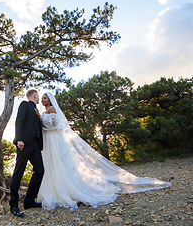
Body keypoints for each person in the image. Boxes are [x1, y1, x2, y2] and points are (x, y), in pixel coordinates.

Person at [35, 92, 172, 211]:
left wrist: (40, 118)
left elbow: (54, 125)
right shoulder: (45, 110)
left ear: (50, 100)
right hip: (49, 140)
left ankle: (63, 191)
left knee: (58, 164)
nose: (43, 100)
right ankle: (52, 191)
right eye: (42, 98)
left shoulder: (52, 108)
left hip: (54, 139)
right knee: (51, 164)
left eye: (45, 98)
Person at [10, 89, 44, 217]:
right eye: (38, 96)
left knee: (40, 170)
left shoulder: (36, 111)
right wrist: (19, 139)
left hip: (35, 145)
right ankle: (13, 205)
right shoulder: (25, 104)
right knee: (19, 172)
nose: (39, 99)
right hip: (24, 144)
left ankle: (29, 201)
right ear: (35, 96)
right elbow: (19, 122)